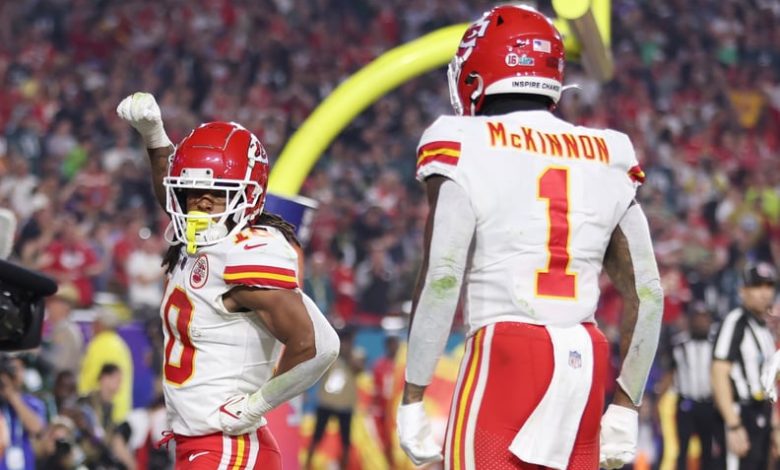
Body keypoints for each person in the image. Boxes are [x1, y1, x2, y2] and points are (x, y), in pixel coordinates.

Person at [396, 5, 664, 470]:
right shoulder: (609, 150)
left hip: (505, 351)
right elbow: (649, 293)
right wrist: (625, 404)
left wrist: (413, 394)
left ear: (481, 69)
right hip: (586, 354)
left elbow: (442, 277)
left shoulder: (462, 139)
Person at [117, 92, 340, 469]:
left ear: (247, 198)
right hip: (205, 446)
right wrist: (155, 137)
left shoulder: (246, 251)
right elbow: (170, 190)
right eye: (191, 195)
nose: (199, 205)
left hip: (228, 449)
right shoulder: (202, 240)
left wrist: (256, 406)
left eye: (214, 196)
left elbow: (318, 345)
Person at [711, 261, 777, 470]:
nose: (764, 293)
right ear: (743, 291)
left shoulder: (764, 329)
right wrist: (733, 424)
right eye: (757, 286)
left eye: (769, 286)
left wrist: (774, 423)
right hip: (741, 413)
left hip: (762, 414)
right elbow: (718, 372)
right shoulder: (736, 321)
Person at [664, 302, 716, 469]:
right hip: (686, 403)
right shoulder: (678, 344)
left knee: (708, 447)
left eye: (704, 318)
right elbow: (670, 373)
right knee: (682, 447)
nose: (701, 322)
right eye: (697, 318)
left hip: (709, 403)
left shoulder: (717, 344)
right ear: (691, 320)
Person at [304, 328, 365, 470]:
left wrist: (349, 355)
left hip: (345, 406)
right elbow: (315, 372)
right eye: (344, 342)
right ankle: (307, 466)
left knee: (345, 442)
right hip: (326, 403)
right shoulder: (331, 355)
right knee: (316, 437)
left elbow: (359, 369)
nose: (346, 345)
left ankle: (344, 467)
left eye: (349, 342)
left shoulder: (356, 356)